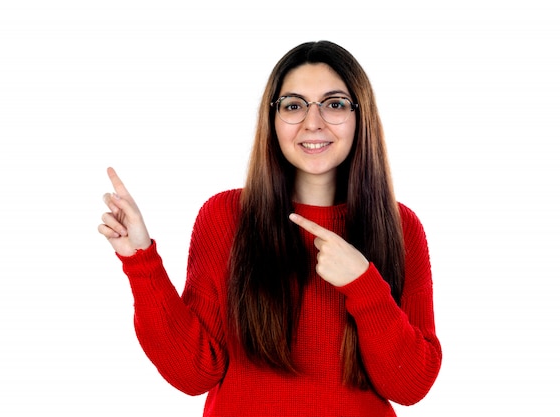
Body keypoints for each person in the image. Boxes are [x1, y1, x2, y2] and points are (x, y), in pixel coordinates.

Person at [98, 40, 441, 416]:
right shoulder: (225, 216)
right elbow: (194, 374)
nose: (313, 122)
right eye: (294, 106)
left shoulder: (400, 226)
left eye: (335, 104)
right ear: (272, 119)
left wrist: (363, 283)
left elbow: (410, 385)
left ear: (361, 117)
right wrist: (140, 261)